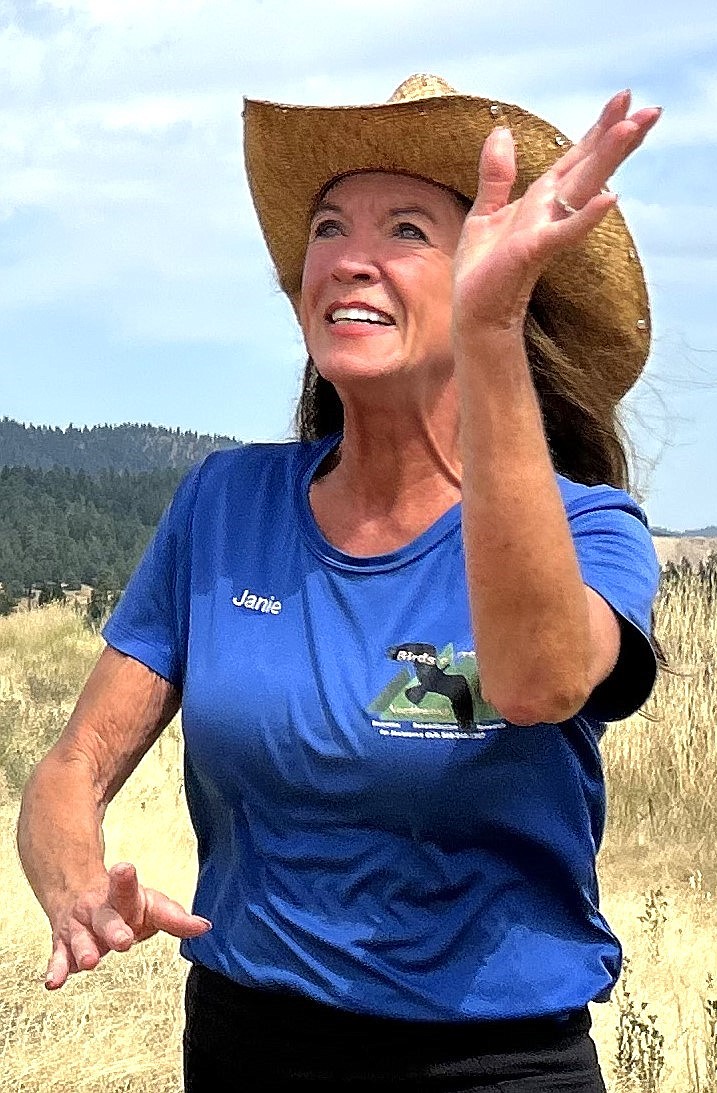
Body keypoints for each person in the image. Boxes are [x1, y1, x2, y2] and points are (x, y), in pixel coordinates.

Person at [18, 74, 663, 1091]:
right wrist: (75, 885)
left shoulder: (589, 528)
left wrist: (487, 332)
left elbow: (536, 681)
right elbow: (68, 771)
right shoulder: (226, 506)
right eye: (327, 228)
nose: (349, 259)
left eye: (407, 229)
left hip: (489, 1066)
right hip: (243, 1046)